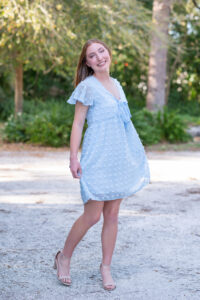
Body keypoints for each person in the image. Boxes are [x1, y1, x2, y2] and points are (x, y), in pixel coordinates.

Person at [54, 39, 150, 291]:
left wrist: (135, 153)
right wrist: (73, 158)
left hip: (118, 158)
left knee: (113, 214)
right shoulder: (87, 87)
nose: (98, 57)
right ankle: (63, 257)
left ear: (109, 53)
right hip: (97, 157)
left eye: (101, 51)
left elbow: (125, 124)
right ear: (86, 63)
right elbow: (77, 124)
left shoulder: (117, 84)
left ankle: (105, 267)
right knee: (93, 215)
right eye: (92, 55)